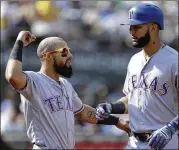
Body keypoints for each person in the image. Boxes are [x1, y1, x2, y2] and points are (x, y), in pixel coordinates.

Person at [5, 31, 130, 149]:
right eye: (64, 51)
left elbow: (82, 112)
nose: (70, 55)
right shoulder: (34, 80)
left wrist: (116, 121)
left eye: (69, 51)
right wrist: (19, 41)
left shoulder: (65, 84)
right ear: (48, 56)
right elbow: (12, 75)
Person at [96, 3, 178, 149]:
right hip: (134, 142)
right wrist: (110, 107)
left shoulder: (174, 61)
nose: (131, 31)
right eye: (130, 27)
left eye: (137, 27)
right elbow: (131, 100)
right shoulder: (134, 60)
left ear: (154, 28)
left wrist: (171, 128)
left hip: (165, 142)